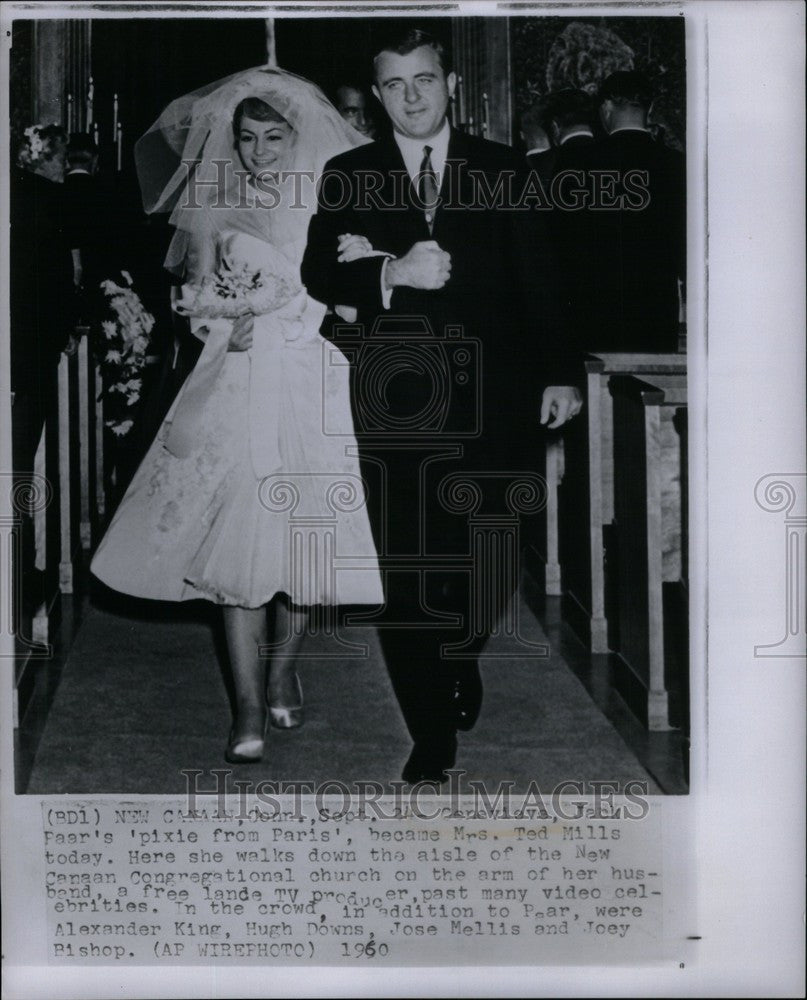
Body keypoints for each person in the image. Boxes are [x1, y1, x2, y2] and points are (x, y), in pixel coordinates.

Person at [302, 28, 583, 783]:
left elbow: (542, 279)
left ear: (450, 84)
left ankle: (461, 652)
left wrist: (559, 372)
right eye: (393, 85)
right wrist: (393, 272)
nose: (411, 97)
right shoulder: (349, 172)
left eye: (423, 80)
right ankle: (428, 733)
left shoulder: (501, 168)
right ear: (377, 94)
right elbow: (318, 275)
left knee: (489, 559)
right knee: (408, 572)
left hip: (497, 397)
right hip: (398, 405)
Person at [90, 67, 383, 763]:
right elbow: (195, 300)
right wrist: (225, 328)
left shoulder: (326, 198)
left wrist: (301, 312)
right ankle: (247, 703)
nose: (258, 151)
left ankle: (283, 669)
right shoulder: (216, 206)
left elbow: (350, 293)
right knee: (240, 540)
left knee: (302, 534)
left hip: (311, 376)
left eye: (272, 138)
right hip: (243, 381)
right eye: (247, 138)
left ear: (297, 136)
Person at [10, 125, 74, 610]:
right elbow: (56, 282)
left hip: (23, 353)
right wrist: (60, 338)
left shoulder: (33, 195)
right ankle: (21, 578)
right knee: (17, 466)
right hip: (26, 357)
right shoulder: (42, 198)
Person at [586, 70, 686, 353]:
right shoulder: (676, 165)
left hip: (596, 310)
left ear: (605, 108)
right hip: (656, 310)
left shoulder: (582, 163)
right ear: (650, 109)